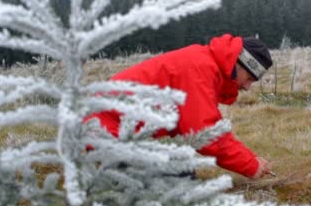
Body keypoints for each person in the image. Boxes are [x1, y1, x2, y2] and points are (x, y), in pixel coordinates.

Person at [85, 34, 273, 179]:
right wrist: (250, 165)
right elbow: (205, 135)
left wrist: (251, 158)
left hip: (110, 130)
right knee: (180, 181)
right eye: (249, 79)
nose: (247, 87)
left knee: (180, 168)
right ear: (237, 64)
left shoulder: (204, 63)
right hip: (107, 134)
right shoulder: (200, 70)